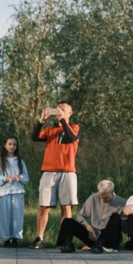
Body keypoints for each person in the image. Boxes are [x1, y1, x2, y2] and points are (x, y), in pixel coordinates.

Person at [31, 101, 81, 248]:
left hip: (67, 171)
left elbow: (72, 138)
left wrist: (63, 121)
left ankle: (65, 239)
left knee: (66, 206)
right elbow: (34, 137)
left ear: (70, 113)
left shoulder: (74, 128)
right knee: (44, 206)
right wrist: (41, 121)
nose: (60, 112)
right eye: (58, 110)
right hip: (49, 171)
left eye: (63, 110)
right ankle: (38, 237)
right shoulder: (50, 131)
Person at [58, 179, 128, 252]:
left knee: (115, 217)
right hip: (94, 234)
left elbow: (126, 227)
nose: (103, 199)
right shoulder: (93, 198)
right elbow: (80, 216)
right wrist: (88, 227)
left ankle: (100, 245)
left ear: (112, 192)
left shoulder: (122, 202)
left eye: (106, 197)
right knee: (67, 221)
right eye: (101, 196)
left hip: (109, 238)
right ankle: (66, 244)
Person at [0, 136, 27, 245]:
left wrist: (19, 178)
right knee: (4, 216)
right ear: (5, 145)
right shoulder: (0, 161)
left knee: (17, 216)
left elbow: (26, 175)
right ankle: (6, 238)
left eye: (14, 144)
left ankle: (16, 237)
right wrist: (4, 179)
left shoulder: (20, 161)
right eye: (10, 144)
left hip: (17, 191)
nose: (12, 146)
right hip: (4, 192)